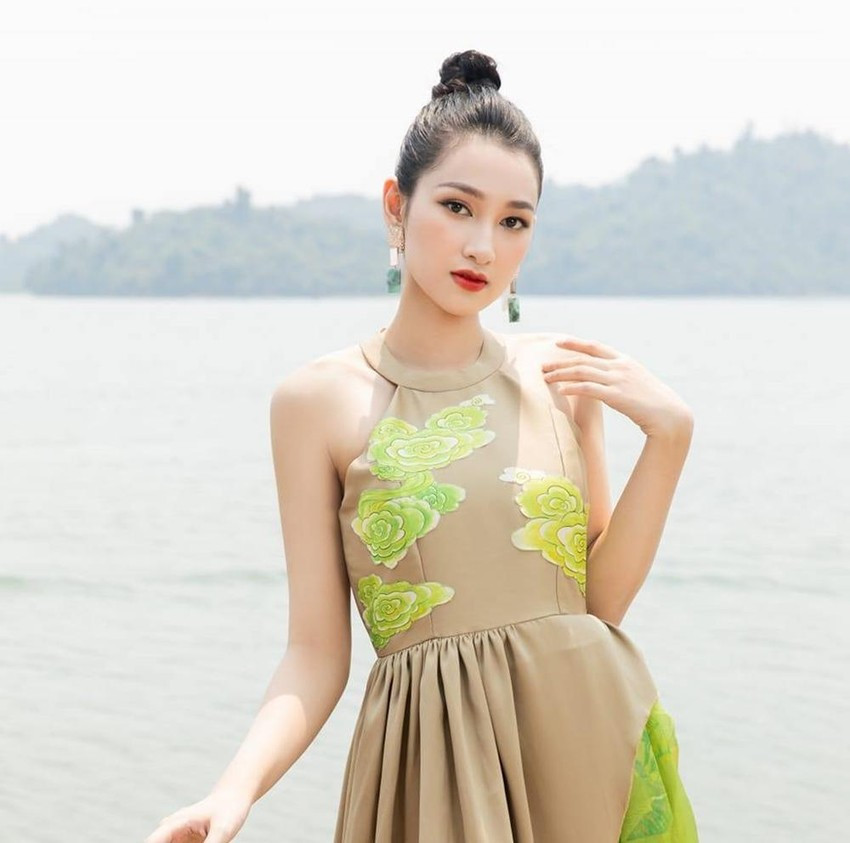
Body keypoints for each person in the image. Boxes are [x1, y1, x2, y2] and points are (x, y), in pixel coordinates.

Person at [144, 49, 699, 843]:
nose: (483, 246)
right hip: (437, 769)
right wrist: (233, 792)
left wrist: (670, 440)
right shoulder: (315, 402)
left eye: (514, 221)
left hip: (593, 748)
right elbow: (315, 652)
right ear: (395, 208)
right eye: (458, 207)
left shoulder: (562, 376)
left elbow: (597, 604)